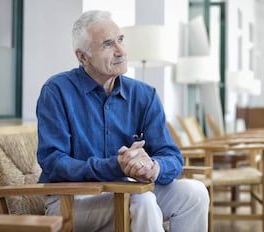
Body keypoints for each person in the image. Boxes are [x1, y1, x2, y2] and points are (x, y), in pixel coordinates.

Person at [36, 10, 209, 232]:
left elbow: (171, 155)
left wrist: (153, 168)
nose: (121, 51)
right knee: (142, 201)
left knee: (194, 193)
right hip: (70, 201)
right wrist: (115, 166)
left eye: (120, 40)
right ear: (82, 57)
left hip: (126, 191)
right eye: (108, 44)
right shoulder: (57, 91)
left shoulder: (144, 95)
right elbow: (53, 161)